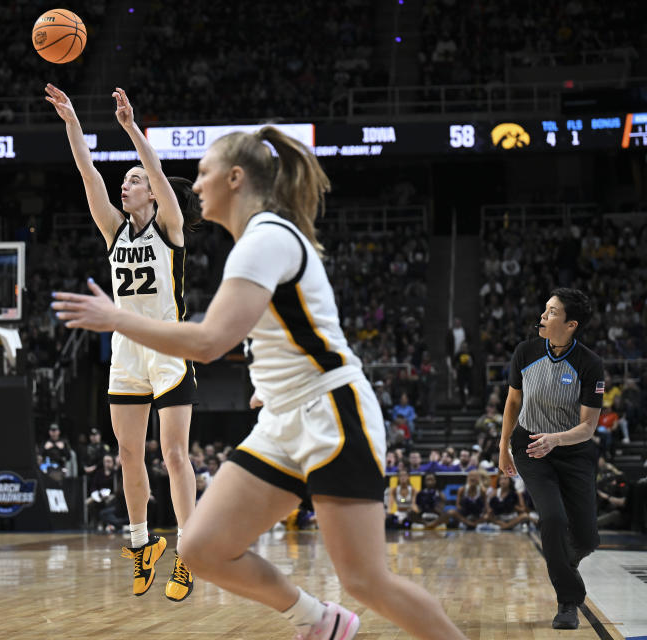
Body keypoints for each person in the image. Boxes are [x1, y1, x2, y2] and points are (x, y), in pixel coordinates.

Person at [53, 127, 464, 639]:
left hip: (330, 410)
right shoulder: (249, 243)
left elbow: (208, 343)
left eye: (203, 173)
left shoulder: (266, 237)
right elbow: (274, 329)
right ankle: (319, 621)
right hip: (282, 417)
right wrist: (266, 381)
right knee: (201, 547)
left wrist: (115, 318)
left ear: (236, 178)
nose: (194, 184)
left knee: (364, 579)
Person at [47, 83, 201, 602]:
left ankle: (190, 552)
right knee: (128, 455)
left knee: (175, 456)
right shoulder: (114, 232)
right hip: (127, 352)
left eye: (135, 181)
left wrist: (132, 128)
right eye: (127, 179)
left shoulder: (172, 227)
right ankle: (142, 545)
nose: (126, 185)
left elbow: (156, 173)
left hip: (169, 347)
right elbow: (87, 174)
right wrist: (72, 122)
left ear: (154, 193)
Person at [499, 288, 604, 630]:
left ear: (571, 324)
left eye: (552, 311)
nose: (543, 316)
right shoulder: (525, 352)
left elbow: (588, 426)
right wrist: (503, 447)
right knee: (554, 519)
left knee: (587, 539)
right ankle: (568, 602)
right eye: (545, 309)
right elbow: (513, 403)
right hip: (530, 446)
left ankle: (562, 561)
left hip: (574, 451)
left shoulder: (590, 364)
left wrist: (555, 440)